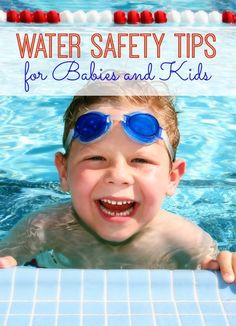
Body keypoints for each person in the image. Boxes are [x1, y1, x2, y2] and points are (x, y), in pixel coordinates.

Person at [0, 81, 235, 283]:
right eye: (96, 158)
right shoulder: (44, 227)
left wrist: (226, 264)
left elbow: (214, 273)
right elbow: (6, 262)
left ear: (172, 178)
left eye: (140, 160)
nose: (118, 176)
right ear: (63, 172)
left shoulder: (184, 239)